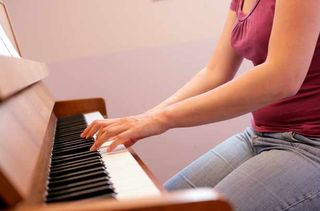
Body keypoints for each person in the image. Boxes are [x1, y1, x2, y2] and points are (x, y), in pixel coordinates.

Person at [81, 0, 320, 210]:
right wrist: (147, 117)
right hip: (258, 135)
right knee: (160, 205)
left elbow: (282, 79)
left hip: (311, 144)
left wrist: (161, 120)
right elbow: (215, 71)